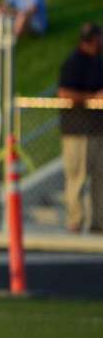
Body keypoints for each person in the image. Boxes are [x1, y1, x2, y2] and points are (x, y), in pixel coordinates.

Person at [57, 23, 103, 233]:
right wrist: (92, 98)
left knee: (100, 178)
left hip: (97, 129)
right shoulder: (73, 63)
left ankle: (98, 222)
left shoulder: (98, 62)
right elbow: (64, 94)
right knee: (77, 176)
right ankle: (75, 220)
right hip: (77, 130)